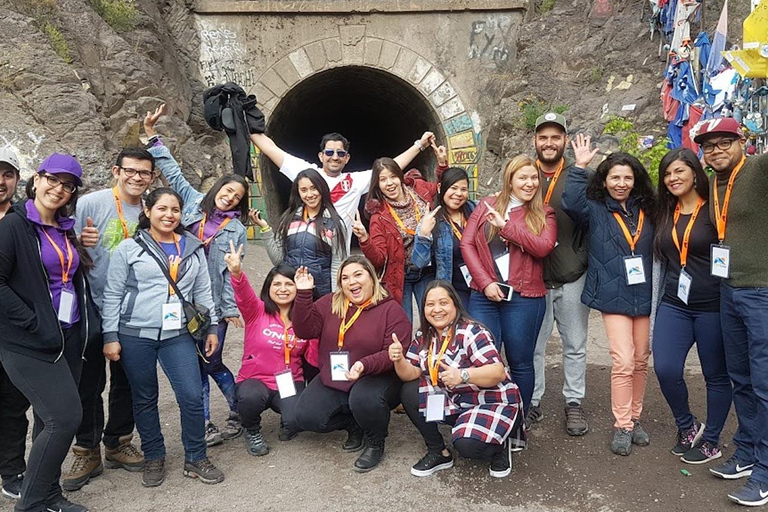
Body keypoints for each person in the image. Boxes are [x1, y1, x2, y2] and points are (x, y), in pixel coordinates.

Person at [101, 187, 224, 488]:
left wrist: (212, 327)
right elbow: (113, 293)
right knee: (144, 398)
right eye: (162, 209)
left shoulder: (193, 248)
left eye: (175, 210)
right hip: (135, 334)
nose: (169, 215)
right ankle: (154, 455)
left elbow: (203, 292)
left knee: (191, 395)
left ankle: (195, 456)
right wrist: (110, 335)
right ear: (148, 210)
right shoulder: (129, 249)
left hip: (177, 334)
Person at [0, 153, 98, 512]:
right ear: (37, 179)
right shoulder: (12, 226)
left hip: (68, 336)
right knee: (65, 417)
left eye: (67, 185)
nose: (59, 189)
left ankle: (49, 494)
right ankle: (30, 504)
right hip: (28, 341)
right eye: (53, 180)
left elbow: (66, 278)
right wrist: (33, 321)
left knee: (48, 420)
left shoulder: (64, 228)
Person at [145, 105, 248, 447]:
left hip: (211, 304)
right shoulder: (189, 204)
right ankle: (204, 423)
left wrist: (231, 308)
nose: (229, 196)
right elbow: (172, 173)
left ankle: (239, 410)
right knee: (192, 364)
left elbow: (231, 269)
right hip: (178, 299)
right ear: (217, 188)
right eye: (227, 190)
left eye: (236, 196)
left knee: (211, 359)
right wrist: (152, 138)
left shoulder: (235, 229)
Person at [64, 147, 153, 492]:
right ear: (116, 171)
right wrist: (78, 241)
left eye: (144, 173)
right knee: (88, 380)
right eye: (130, 171)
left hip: (133, 308)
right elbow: (60, 240)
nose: (136, 178)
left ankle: (117, 441)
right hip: (92, 304)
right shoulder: (91, 203)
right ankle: (87, 450)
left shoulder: (150, 208)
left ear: (151, 177)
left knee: (127, 378)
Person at [561, 141, 656, 457]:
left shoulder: (647, 209)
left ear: (635, 180)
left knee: (642, 358)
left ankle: (635, 417)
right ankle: (622, 424)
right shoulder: (595, 208)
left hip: (642, 292)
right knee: (624, 359)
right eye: (615, 178)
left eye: (627, 178)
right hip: (611, 293)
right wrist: (578, 167)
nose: (621, 184)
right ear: (604, 180)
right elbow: (571, 202)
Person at [692, 118, 768, 506]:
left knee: (764, 382)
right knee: (740, 376)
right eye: (709, 146)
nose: (717, 150)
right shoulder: (714, 184)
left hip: (761, 290)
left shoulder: (758, 169)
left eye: (724, 143)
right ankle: (748, 452)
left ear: (742, 142)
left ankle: (765, 470)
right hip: (730, 290)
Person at [391, 280, 524, 478]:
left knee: (467, 446)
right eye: (430, 304)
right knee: (409, 391)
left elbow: (498, 372)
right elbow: (410, 374)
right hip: (454, 399)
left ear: (455, 305)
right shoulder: (424, 335)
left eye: (443, 303)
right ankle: (439, 452)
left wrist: (463, 375)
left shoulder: (471, 331)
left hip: (489, 401)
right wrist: (399, 359)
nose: (437, 309)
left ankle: (500, 444)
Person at [291, 255, 411, 472]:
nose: (351, 282)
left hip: (375, 377)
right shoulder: (331, 302)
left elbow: (393, 352)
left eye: (358, 274)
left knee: (364, 398)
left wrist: (364, 365)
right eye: (345, 278)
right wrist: (303, 293)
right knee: (306, 417)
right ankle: (353, 424)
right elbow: (304, 330)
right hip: (337, 375)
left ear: (371, 277)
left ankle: (375, 442)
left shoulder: (390, 309)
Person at [651, 147, 731, 464]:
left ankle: (712, 440)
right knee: (666, 368)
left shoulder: (714, 209)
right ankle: (687, 426)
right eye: (667, 174)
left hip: (713, 304)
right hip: (674, 303)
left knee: (716, 375)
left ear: (695, 173)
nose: (673, 178)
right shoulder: (664, 211)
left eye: (679, 171)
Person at [461, 154, 557, 415]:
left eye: (534, 177)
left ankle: (518, 419)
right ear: (510, 180)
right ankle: (488, 414)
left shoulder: (544, 213)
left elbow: (543, 248)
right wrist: (484, 282)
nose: (529, 183)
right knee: (484, 360)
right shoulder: (486, 205)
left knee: (521, 362)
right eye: (522, 177)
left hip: (525, 298)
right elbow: (467, 244)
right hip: (484, 296)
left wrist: (505, 227)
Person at [250, 126, 434, 250]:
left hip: (339, 259)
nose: (335, 157)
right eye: (329, 152)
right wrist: (243, 123)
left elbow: (391, 167)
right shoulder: (306, 173)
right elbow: (272, 149)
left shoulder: (355, 181)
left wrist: (419, 145)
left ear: (347, 158)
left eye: (340, 153)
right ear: (321, 156)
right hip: (307, 253)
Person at [529, 113, 591, 436]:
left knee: (576, 343)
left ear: (565, 141)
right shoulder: (525, 175)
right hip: (534, 276)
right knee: (533, 345)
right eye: (543, 137)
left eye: (556, 137)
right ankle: (533, 399)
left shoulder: (580, 174)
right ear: (535, 141)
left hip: (571, 273)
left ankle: (574, 402)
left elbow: (593, 218)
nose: (549, 143)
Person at [225, 250, 314, 456]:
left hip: (290, 380)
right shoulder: (256, 311)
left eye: (289, 284)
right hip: (256, 379)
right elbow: (243, 294)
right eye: (277, 284)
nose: (283, 289)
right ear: (268, 288)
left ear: (296, 288)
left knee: (296, 419)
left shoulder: (304, 319)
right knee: (250, 397)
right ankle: (252, 429)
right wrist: (237, 272)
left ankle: (288, 420)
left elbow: (313, 356)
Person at [356, 157, 438, 322]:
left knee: (434, 319)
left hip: (428, 270)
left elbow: (442, 188)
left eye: (393, 176)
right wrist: (365, 239)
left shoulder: (419, 189)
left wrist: (442, 164)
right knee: (402, 324)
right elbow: (379, 259)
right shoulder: (379, 217)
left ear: (400, 177)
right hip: (401, 275)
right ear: (377, 184)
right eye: (383, 179)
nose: (389, 183)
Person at [254, 168, 347, 297]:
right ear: (298, 192)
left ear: (322, 189)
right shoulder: (288, 219)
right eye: (303, 190)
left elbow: (338, 264)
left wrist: (335, 297)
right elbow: (279, 260)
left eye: (314, 188)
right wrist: (265, 229)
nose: (309, 194)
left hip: (321, 295)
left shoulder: (334, 223)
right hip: (290, 293)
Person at [0, 148, 31, 502]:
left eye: (7, 174)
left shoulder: (27, 220)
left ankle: (12, 471)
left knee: (12, 405)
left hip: (15, 330)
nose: (0, 181)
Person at [411, 162, 476, 310]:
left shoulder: (476, 210)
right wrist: (424, 235)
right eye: (453, 188)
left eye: (463, 189)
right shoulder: (431, 220)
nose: (459, 194)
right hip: (453, 290)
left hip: (481, 285)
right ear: (440, 188)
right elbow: (419, 263)